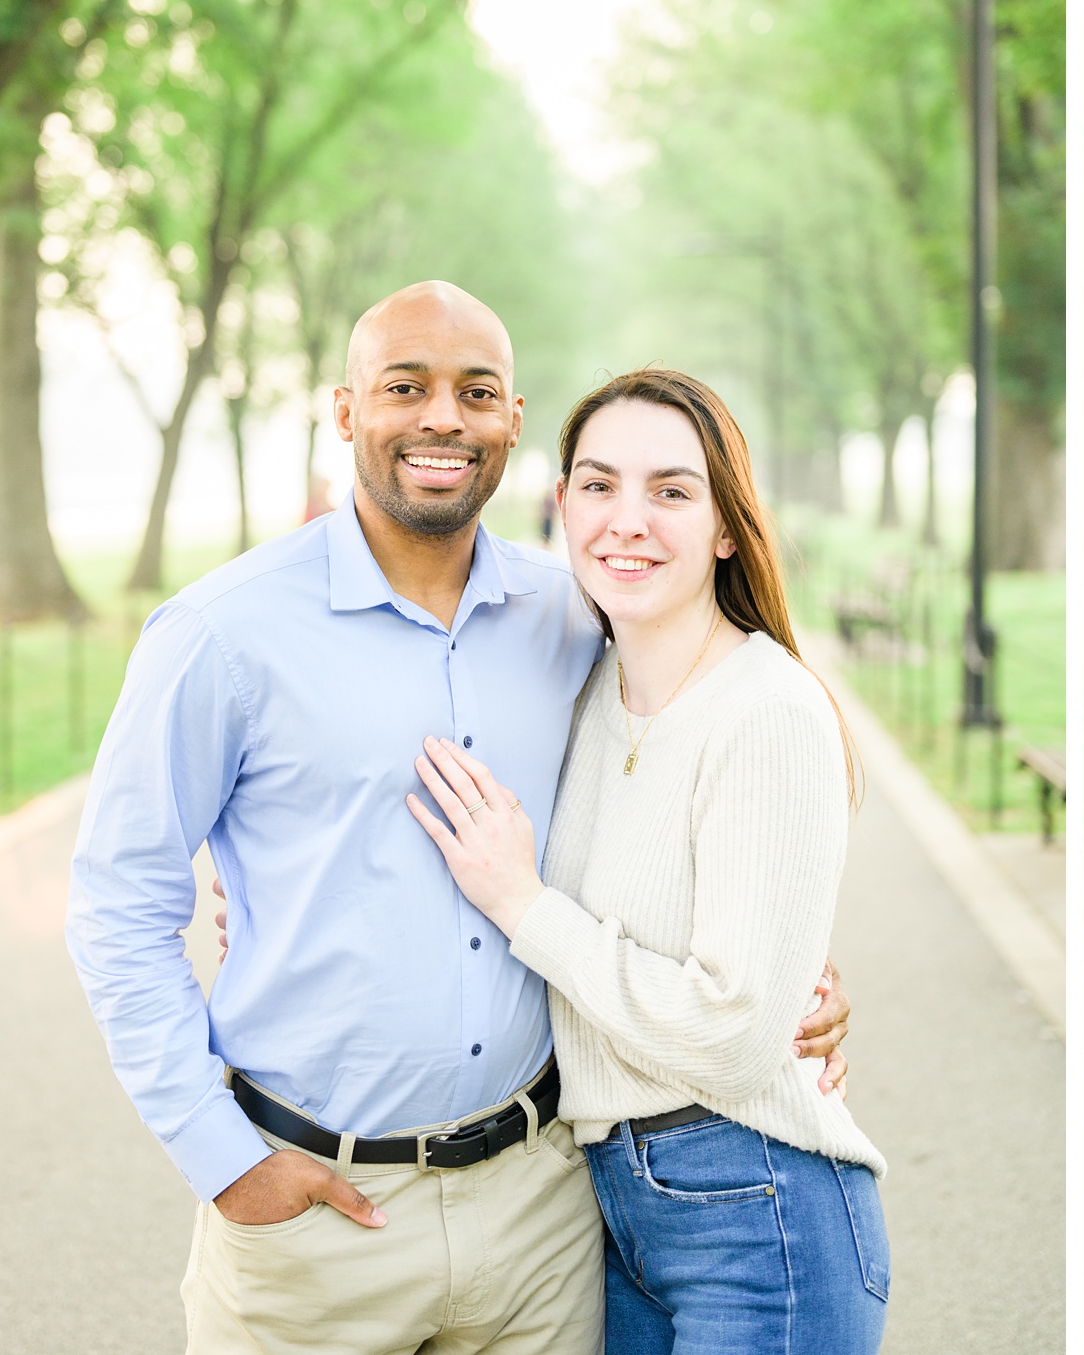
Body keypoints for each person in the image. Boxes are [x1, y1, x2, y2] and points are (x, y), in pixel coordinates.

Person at [66, 283, 851, 1355]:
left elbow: (687, 787)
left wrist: (785, 959)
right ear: (345, 410)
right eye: (405, 387)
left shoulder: (575, 616)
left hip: (544, 1211)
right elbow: (118, 901)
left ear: (512, 423)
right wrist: (220, 1154)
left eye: (475, 392)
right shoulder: (222, 635)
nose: (443, 417)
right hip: (314, 1224)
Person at [410, 369, 887, 1352]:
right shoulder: (578, 686)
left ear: (724, 526)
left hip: (759, 1216)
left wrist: (524, 904)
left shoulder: (767, 712)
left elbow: (733, 1033)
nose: (628, 519)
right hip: (613, 1206)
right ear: (562, 503)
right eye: (598, 484)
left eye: (671, 490)